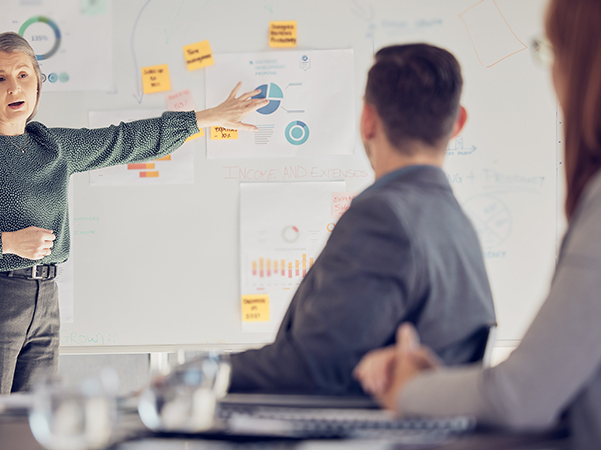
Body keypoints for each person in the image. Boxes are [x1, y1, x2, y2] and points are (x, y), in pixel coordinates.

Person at [0, 31, 269, 395]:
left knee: (32, 422)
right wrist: (5, 242)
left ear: (37, 83)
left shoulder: (51, 146)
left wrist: (207, 118)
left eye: (23, 76)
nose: (14, 88)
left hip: (45, 298)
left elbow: (125, 141)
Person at [353, 1, 601, 447]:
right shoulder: (454, 219)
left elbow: (520, 397)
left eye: (553, 52)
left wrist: (407, 389)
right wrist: (436, 386)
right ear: (457, 123)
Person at [227, 44, 496, 395]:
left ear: (368, 120)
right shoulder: (456, 223)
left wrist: (201, 373)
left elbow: (314, 367)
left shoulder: (382, 217)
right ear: (457, 123)